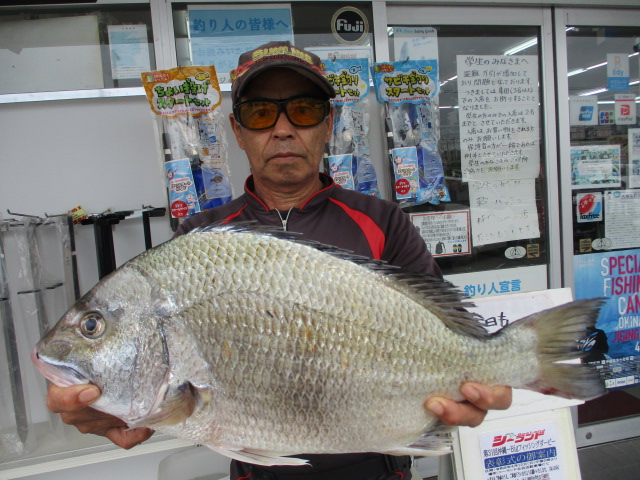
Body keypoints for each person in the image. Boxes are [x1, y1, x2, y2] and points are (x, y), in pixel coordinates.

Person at [46, 41, 512, 479]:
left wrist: (473, 376)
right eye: (261, 112)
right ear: (238, 131)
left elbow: (447, 333)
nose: (283, 129)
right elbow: (178, 392)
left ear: (328, 124)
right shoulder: (198, 239)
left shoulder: (383, 221)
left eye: (304, 110)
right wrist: (117, 404)